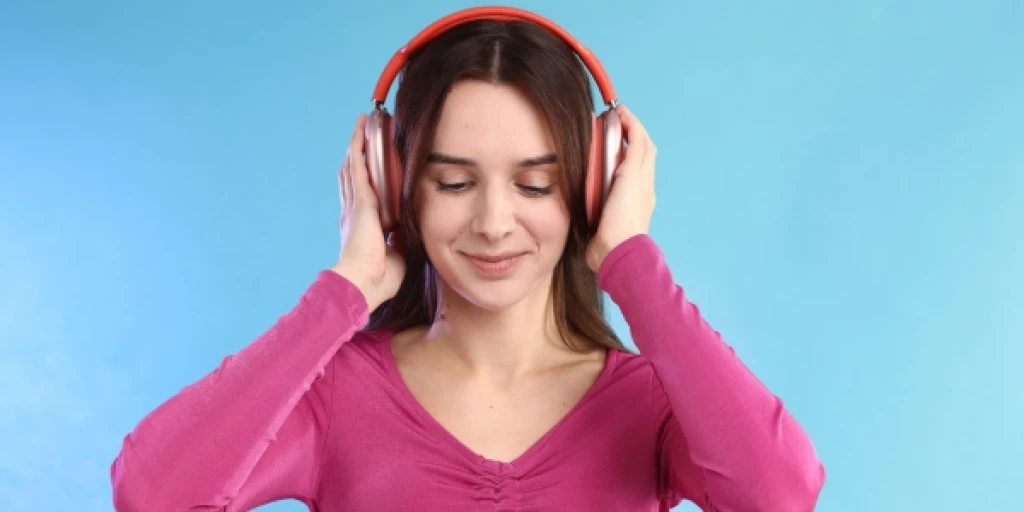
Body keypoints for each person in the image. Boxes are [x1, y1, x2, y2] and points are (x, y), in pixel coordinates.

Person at [110, 8, 825, 512]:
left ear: (591, 186)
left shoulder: (653, 403)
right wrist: (346, 290)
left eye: (534, 184)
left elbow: (781, 497)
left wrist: (631, 262)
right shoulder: (335, 397)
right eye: (453, 182)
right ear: (397, 185)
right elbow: (154, 496)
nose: (492, 222)